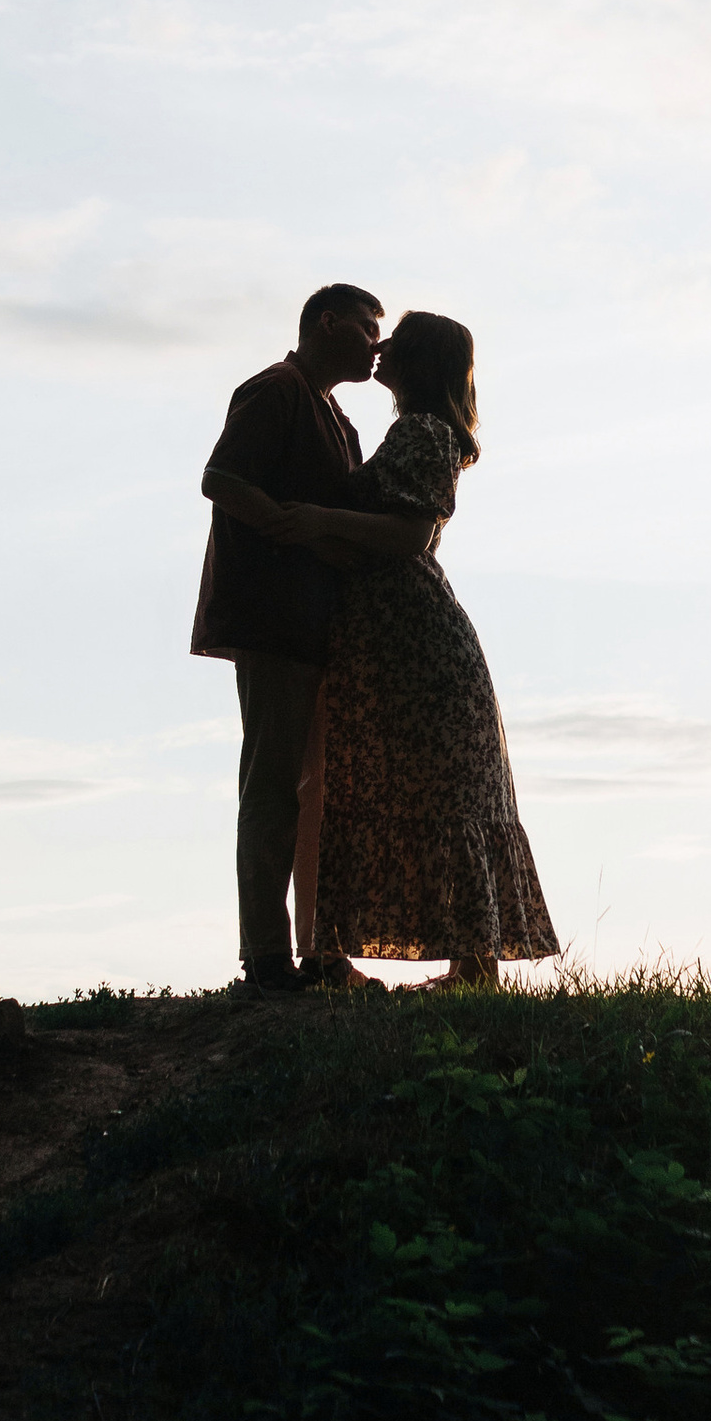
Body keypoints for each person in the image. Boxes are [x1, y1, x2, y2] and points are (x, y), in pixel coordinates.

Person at [273, 310, 556, 989]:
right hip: (391, 638)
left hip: (414, 640)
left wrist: (315, 521)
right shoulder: (415, 432)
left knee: (441, 791)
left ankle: (472, 964)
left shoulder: (424, 433)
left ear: (420, 360)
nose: (383, 347)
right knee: (416, 787)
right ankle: (461, 962)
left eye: (398, 339)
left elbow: (406, 534)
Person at [192, 285, 384, 991]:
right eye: (368, 328)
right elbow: (220, 478)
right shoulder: (274, 390)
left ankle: (324, 953)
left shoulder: (338, 418)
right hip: (273, 621)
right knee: (273, 787)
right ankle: (267, 958)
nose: (376, 346)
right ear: (325, 322)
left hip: (319, 626)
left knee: (319, 793)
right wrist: (298, 536)